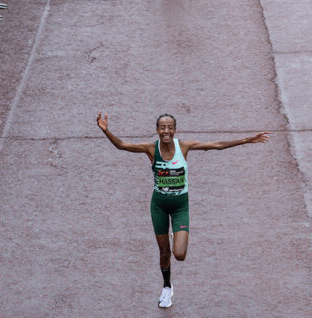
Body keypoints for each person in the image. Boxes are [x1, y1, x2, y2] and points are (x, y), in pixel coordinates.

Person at [96, 112, 270, 309]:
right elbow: (122, 146)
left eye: (170, 127)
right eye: (162, 127)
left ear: (175, 130)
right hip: (159, 206)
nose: (166, 131)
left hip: (180, 206)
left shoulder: (184, 146)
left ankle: (177, 231)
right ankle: (167, 287)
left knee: (179, 254)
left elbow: (217, 145)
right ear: (157, 130)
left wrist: (248, 139)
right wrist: (106, 130)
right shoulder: (151, 148)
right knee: (164, 252)